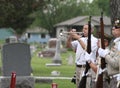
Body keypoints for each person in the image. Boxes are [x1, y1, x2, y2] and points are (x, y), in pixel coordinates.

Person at [67, 24, 98, 88]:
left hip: (87, 67)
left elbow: (87, 49)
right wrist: (70, 36)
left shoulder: (95, 40)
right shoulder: (81, 39)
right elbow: (68, 46)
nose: (84, 30)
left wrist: (78, 38)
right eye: (83, 28)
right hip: (78, 67)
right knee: (78, 86)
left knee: (86, 86)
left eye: (86, 29)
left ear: (92, 30)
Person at [97, 19, 120, 88]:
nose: (114, 29)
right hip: (113, 78)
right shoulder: (116, 43)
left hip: (117, 78)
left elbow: (116, 64)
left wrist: (105, 55)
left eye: (116, 28)